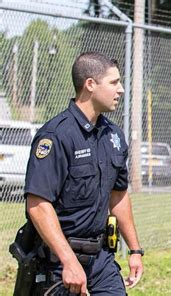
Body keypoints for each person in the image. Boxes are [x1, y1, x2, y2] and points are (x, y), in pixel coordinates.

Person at [24, 52, 143, 295]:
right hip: (58, 264)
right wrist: (68, 261)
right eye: (113, 82)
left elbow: (118, 195)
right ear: (90, 84)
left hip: (101, 262)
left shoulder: (114, 136)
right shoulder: (56, 136)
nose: (120, 90)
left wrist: (134, 250)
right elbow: (37, 204)